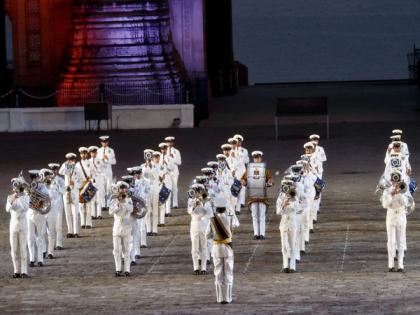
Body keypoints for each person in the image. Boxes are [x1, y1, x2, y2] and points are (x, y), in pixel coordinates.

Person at [381, 169, 415, 272]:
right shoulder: (387, 190)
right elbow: (384, 205)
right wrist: (391, 194)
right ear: (391, 180)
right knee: (391, 241)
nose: (395, 182)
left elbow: (407, 203)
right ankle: (390, 265)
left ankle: (400, 265)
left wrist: (399, 193)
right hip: (391, 216)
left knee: (401, 241)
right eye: (393, 180)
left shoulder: (404, 189)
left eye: (397, 180)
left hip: (401, 216)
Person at [209, 195, 236, 304]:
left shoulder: (212, 220)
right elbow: (236, 224)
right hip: (228, 248)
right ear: (225, 208)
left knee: (218, 273)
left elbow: (207, 235)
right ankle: (228, 298)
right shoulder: (230, 217)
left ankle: (220, 298)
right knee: (228, 272)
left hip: (216, 248)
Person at [241, 151, 273, 240]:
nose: (256, 159)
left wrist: (269, 182)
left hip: (262, 197)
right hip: (252, 197)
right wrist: (243, 182)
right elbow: (243, 179)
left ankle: (262, 234)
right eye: (255, 158)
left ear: (260, 158)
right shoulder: (249, 170)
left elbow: (270, 179)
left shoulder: (264, 170)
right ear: (253, 159)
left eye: (258, 158)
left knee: (262, 215)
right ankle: (256, 233)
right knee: (254, 215)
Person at [6, 176, 30, 278]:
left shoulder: (26, 197)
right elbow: (8, 209)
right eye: (15, 187)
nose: (16, 189)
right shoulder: (9, 197)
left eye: (18, 186)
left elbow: (25, 208)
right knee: (14, 250)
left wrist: (19, 197)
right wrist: (13, 198)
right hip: (13, 227)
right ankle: (16, 271)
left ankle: (24, 271)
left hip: (23, 226)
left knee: (23, 249)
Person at [109, 181, 133, 277]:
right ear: (118, 190)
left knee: (127, 249)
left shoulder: (129, 200)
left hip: (126, 227)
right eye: (121, 189)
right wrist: (118, 203)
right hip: (117, 228)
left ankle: (127, 269)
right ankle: (118, 269)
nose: (123, 191)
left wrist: (124, 201)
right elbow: (110, 212)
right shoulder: (114, 200)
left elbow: (131, 209)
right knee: (116, 250)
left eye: (124, 189)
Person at [26, 170, 48, 267]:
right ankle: (31, 259)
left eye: (36, 178)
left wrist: (38, 196)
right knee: (30, 237)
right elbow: (24, 200)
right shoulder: (28, 187)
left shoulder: (43, 187)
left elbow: (46, 198)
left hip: (39, 213)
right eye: (33, 178)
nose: (35, 180)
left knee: (40, 237)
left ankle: (40, 259)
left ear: (38, 178)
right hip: (30, 213)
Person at [276, 180, 299, 273]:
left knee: (292, 245)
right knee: (284, 246)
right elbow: (278, 212)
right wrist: (284, 205)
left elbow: (297, 209)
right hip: (284, 224)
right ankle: (285, 265)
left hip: (292, 224)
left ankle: (293, 266)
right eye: (286, 186)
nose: (287, 188)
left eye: (289, 186)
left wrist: (291, 201)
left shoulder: (294, 196)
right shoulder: (280, 198)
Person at [187, 183, 210, 275]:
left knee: (204, 247)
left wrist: (202, 204)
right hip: (194, 225)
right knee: (194, 248)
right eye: (195, 191)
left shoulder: (206, 200)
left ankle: (204, 267)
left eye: (199, 191)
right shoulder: (190, 200)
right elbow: (189, 211)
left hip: (204, 225)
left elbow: (208, 213)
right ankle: (196, 267)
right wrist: (194, 205)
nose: (197, 193)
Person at [59, 153, 82, 238]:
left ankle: (76, 232)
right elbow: (60, 171)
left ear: (75, 160)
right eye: (69, 160)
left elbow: (81, 182)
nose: (71, 161)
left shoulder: (78, 169)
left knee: (75, 214)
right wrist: (65, 164)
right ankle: (70, 231)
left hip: (74, 193)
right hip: (66, 194)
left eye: (72, 160)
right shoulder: (66, 169)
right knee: (67, 213)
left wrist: (75, 183)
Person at [141, 149, 160, 236]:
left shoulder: (157, 166)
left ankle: (155, 230)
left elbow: (156, 176)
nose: (148, 158)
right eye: (147, 156)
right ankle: (148, 229)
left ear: (152, 156)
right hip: (147, 191)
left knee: (155, 210)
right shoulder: (142, 166)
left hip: (155, 190)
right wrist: (146, 166)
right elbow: (143, 177)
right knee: (148, 210)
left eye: (150, 156)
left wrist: (151, 166)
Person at [76, 147, 95, 229]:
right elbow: (75, 175)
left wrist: (91, 180)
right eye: (82, 153)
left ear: (87, 154)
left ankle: (89, 223)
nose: (83, 155)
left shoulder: (90, 163)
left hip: (88, 184)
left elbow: (93, 173)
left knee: (88, 205)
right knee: (81, 205)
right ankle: (82, 223)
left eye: (85, 153)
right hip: (80, 185)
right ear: (80, 154)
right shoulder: (77, 164)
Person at [48, 163, 65, 250]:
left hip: (58, 203)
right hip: (50, 204)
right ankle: (51, 244)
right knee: (50, 225)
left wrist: (57, 185)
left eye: (55, 170)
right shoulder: (46, 179)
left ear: (57, 170)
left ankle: (59, 243)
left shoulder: (60, 180)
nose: (53, 171)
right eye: (52, 170)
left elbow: (63, 191)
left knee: (58, 224)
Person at [97, 135, 116, 210]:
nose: (104, 143)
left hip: (108, 171)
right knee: (102, 188)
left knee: (108, 188)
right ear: (101, 143)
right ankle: (102, 204)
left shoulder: (111, 150)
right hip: (101, 171)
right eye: (103, 142)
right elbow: (97, 162)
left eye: (105, 142)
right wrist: (101, 160)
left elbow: (114, 162)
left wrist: (108, 159)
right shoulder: (98, 151)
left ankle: (108, 204)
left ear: (107, 142)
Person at [89, 146, 106, 220]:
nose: (93, 154)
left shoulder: (100, 160)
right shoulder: (88, 161)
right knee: (92, 198)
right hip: (92, 180)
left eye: (95, 152)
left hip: (99, 180)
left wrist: (96, 168)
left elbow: (102, 169)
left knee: (99, 198)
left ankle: (99, 214)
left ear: (96, 153)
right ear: (90, 153)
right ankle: (93, 214)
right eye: (92, 153)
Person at [165, 136, 182, 209]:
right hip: (167, 172)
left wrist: (173, 158)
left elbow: (179, 162)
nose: (169, 143)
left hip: (174, 172)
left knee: (174, 188)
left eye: (170, 142)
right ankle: (167, 205)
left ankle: (175, 204)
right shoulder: (164, 151)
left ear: (172, 143)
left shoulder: (176, 151)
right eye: (168, 142)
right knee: (167, 188)